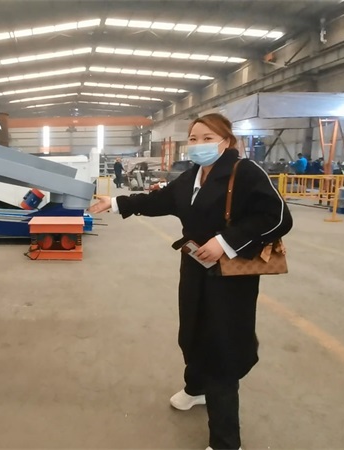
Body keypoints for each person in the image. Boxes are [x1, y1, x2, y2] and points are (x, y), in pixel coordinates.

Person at [89, 113, 293, 450]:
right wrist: (116, 203)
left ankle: (226, 441)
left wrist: (225, 242)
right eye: (194, 138)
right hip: (196, 265)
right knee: (193, 329)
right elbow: (160, 200)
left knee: (222, 345)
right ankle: (196, 388)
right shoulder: (192, 175)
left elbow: (278, 217)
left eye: (207, 138)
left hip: (230, 274)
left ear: (227, 141)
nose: (199, 145)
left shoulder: (244, 173)